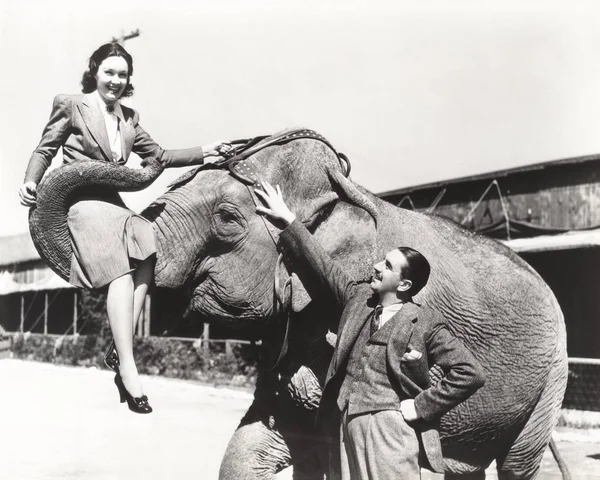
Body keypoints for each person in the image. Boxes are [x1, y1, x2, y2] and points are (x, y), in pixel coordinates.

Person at [18, 42, 232, 414]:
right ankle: (129, 369)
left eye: (122, 75)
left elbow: (159, 157)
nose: (115, 81)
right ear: (95, 71)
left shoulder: (130, 117)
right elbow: (44, 148)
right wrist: (30, 180)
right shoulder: (71, 104)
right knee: (120, 273)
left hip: (114, 202)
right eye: (109, 72)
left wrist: (205, 152)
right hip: (80, 201)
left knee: (147, 249)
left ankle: (119, 350)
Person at [254, 181, 486, 479]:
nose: (376, 266)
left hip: (390, 431)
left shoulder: (425, 321)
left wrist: (420, 407)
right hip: (345, 424)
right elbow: (322, 266)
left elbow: (470, 373)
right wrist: (288, 219)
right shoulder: (357, 299)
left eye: (387, 266)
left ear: (404, 285)